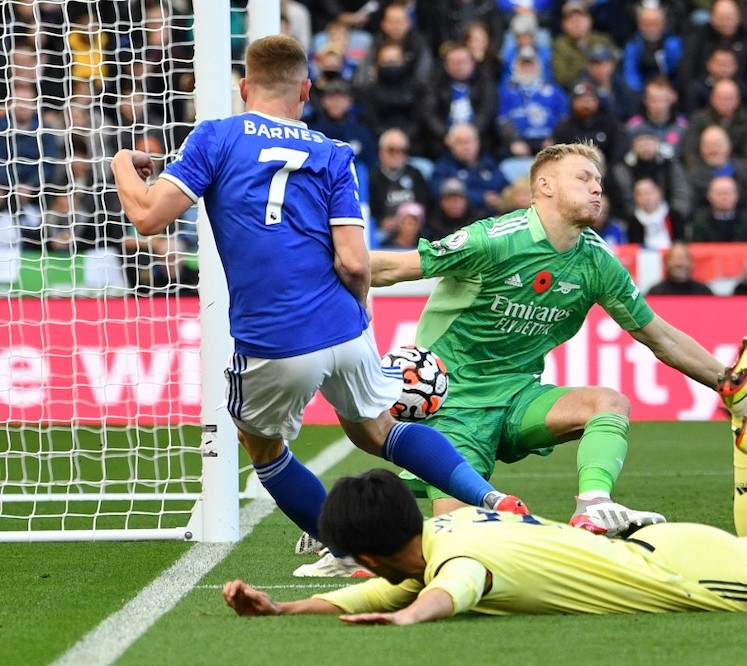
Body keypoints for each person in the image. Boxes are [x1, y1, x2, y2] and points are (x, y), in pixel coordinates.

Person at [111, 34, 527, 577]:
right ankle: (490, 498)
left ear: (243, 88)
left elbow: (146, 217)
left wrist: (122, 160)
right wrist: (361, 310)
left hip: (274, 335)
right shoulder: (333, 154)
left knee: (260, 446)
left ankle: (344, 547)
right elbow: (355, 261)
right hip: (345, 326)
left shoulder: (215, 136)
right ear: (306, 89)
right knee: (379, 429)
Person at [222, 350, 747, 622]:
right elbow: (381, 586)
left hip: (688, 578)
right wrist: (286, 608)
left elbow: (442, 593)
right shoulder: (447, 529)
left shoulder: (455, 565)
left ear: (371, 551)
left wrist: (407, 619)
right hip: (671, 551)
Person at [367, 142, 747, 537]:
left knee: (608, 402)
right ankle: (352, 525)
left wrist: (732, 384)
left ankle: (594, 507)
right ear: (545, 185)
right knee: (457, 539)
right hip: (455, 409)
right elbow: (387, 269)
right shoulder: (493, 240)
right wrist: (318, 271)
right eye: (583, 178)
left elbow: (663, 339)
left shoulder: (597, 262)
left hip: (519, 398)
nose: (596, 189)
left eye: (599, 182)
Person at [647, 243, 715, 296]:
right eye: (674, 259)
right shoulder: (655, 293)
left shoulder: (704, 293)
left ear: (692, 263)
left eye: (683, 258)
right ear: (666, 264)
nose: (679, 263)